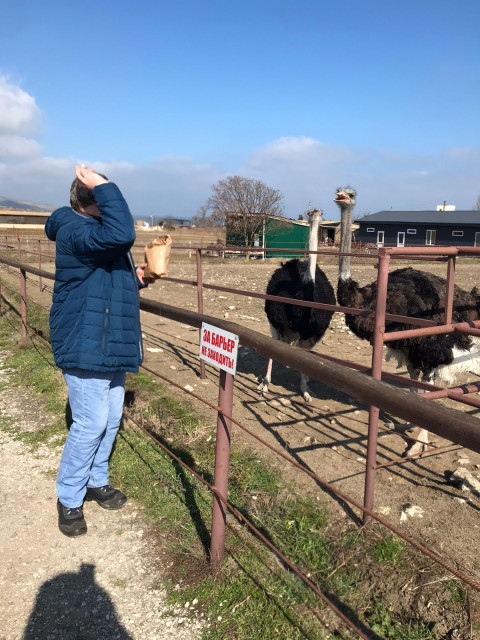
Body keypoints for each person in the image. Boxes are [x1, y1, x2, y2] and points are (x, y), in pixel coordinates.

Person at [45, 165, 148, 537]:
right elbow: (123, 233)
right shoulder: (75, 230)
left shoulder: (93, 233)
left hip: (109, 342)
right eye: (102, 194)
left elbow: (104, 279)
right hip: (85, 340)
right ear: (92, 198)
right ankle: (69, 497)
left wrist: (137, 279)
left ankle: (95, 479)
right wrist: (103, 185)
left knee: (111, 419)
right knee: (90, 424)